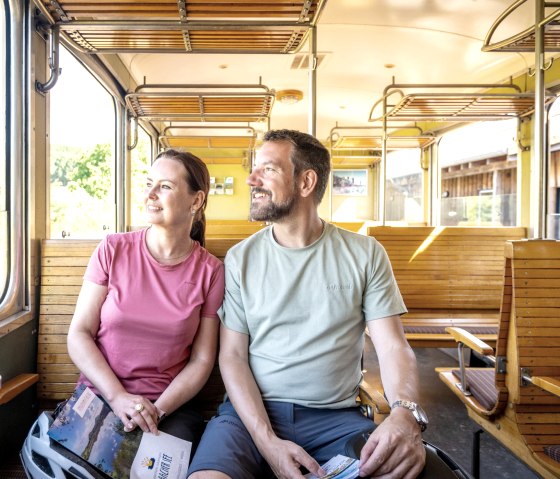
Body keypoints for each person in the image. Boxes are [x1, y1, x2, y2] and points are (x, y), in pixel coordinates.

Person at [188, 130, 426, 479]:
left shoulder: (365, 254)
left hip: (337, 419)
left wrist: (405, 414)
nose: (251, 179)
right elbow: (233, 357)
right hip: (249, 417)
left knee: (408, 471)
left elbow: (392, 346)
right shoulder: (241, 259)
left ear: (306, 182)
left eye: (267, 169)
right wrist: (267, 441)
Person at [66, 148, 225, 451]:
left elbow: (202, 360)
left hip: (169, 408)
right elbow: (79, 333)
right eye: (148, 183)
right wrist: (117, 397)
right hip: (100, 394)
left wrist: (155, 411)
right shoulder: (112, 249)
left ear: (196, 200)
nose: (150, 193)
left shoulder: (211, 272)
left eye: (165, 186)